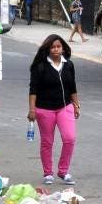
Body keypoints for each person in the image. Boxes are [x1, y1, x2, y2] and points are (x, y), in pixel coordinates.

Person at [28, 34, 80, 186]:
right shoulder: (40, 66)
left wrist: (76, 104)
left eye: (58, 46)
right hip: (44, 110)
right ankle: (48, 173)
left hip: (65, 107)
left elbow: (73, 87)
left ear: (63, 48)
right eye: (53, 47)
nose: (56, 49)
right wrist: (32, 110)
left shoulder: (69, 65)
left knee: (69, 138)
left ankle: (63, 171)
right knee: (47, 142)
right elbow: (33, 90)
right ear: (48, 49)